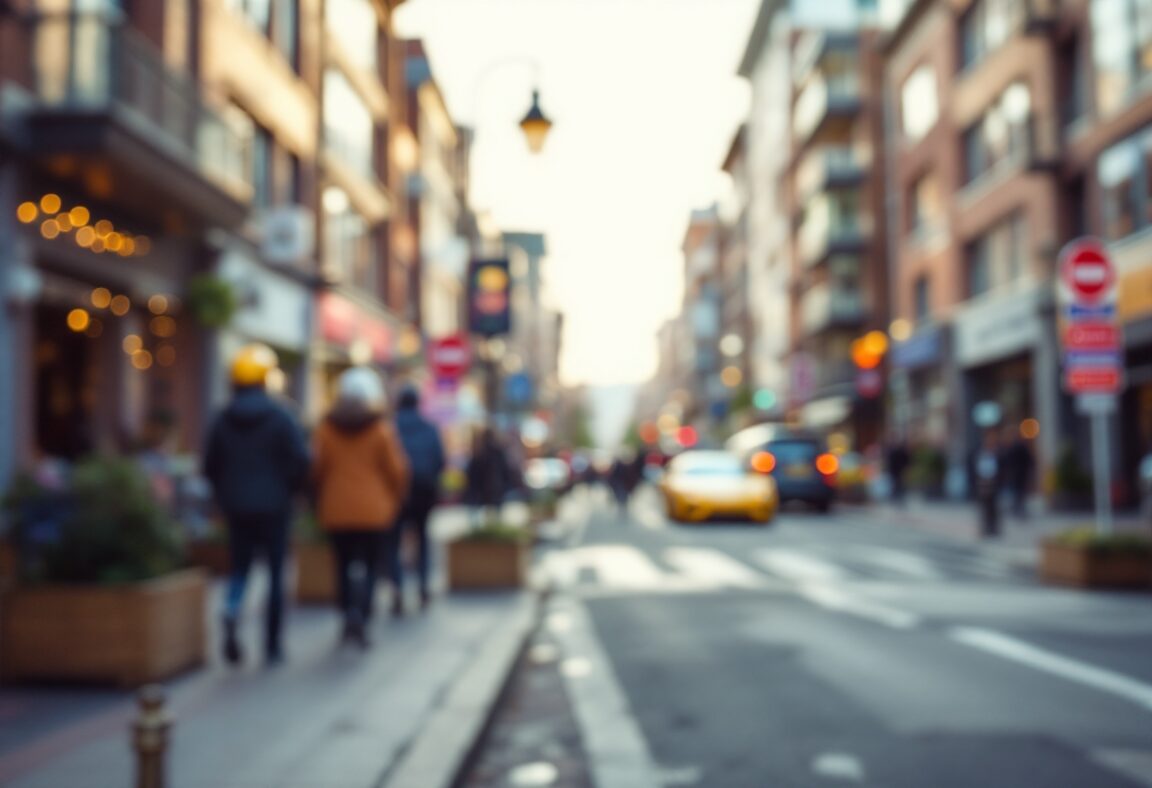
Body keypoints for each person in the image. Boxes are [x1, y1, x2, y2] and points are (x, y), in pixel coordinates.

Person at [203, 344, 309, 667]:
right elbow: (300, 461)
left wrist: (224, 495)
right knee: (277, 574)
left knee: (240, 569)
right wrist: (291, 491)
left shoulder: (222, 418)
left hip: (237, 507)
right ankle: (272, 644)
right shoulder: (282, 416)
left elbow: (210, 465)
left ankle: (231, 611)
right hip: (275, 506)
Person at [312, 367, 410, 648]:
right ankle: (363, 616)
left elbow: (316, 469)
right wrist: (395, 497)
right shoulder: (381, 430)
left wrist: (317, 495)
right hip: (374, 512)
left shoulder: (326, 429)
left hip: (336, 510)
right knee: (370, 566)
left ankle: (346, 614)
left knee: (342, 566)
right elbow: (397, 471)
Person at [392, 385, 445, 614]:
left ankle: (397, 588)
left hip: (397, 492)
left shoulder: (389, 427)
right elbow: (440, 460)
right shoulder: (429, 428)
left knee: (393, 541)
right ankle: (423, 586)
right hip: (424, 490)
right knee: (422, 538)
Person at [465, 428, 513, 526]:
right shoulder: (498, 452)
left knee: (477, 518)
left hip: (482, 490)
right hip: (496, 488)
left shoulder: (479, 452)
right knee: (496, 517)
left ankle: (480, 533)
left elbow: (472, 473)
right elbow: (506, 471)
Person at [969, 428, 1003, 538]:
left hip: (994, 483)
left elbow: (1002, 468)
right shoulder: (979, 452)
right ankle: (985, 528)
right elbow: (974, 467)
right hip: (982, 483)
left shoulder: (997, 452)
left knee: (994, 507)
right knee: (984, 507)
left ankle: (994, 528)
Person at [1001, 426, 1034, 520]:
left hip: (1015, 475)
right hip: (1020, 474)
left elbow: (1006, 461)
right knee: (1019, 493)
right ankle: (1019, 510)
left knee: (1017, 493)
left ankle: (1017, 510)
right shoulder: (1022, 447)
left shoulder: (1012, 448)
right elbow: (1029, 460)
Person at [886, 440, 911, 505]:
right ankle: (896, 497)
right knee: (896, 484)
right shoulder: (895, 452)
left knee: (899, 484)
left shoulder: (899, 452)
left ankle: (899, 497)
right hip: (896, 471)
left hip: (898, 471)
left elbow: (906, 461)